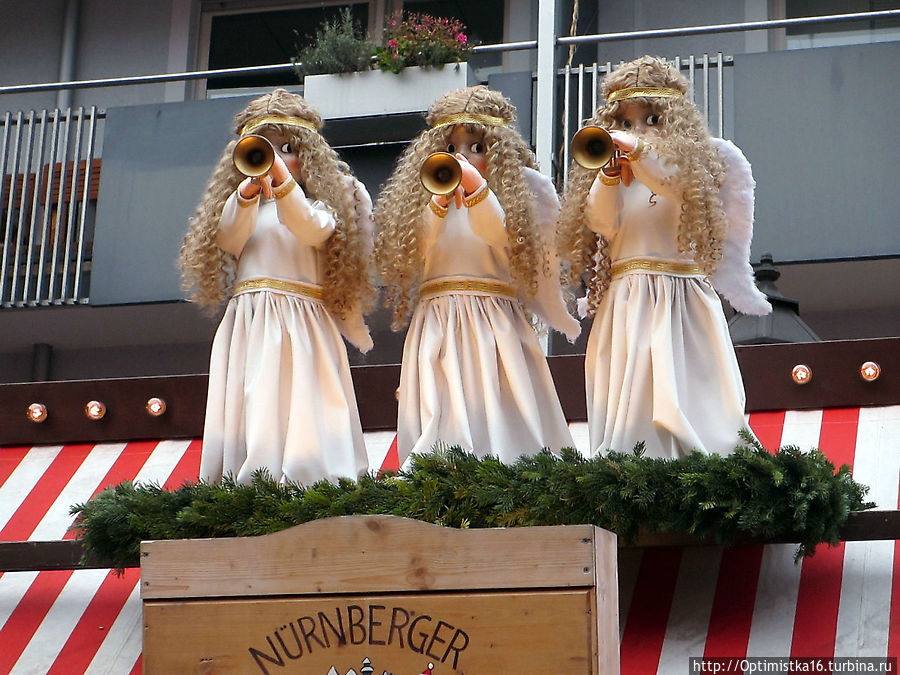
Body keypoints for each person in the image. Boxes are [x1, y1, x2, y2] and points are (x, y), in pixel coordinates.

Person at [558, 55, 771, 459]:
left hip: (679, 301)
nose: (637, 130)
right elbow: (600, 221)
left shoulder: (698, 164)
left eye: (650, 119)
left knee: (692, 401)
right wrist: (608, 176)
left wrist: (638, 152)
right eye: (625, 123)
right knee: (630, 409)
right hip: (627, 302)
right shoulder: (616, 172)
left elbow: (675, 186)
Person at [374, 85, 580, 465]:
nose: (462, 157)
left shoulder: (519, 194)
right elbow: (415, 249)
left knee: (499, 414)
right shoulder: (421, 199)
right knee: (441, 412)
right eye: (452, 147)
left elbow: (501, 235)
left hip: (493, 322)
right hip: (438, 321)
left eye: (476, 147)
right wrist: (438, 202)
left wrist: (477, 191)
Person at [179, 88, 376, 485]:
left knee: (305, 399)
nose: (276, 160)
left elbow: (311, 228)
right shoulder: (244, 206)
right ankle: (253, 476)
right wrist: (247, 193)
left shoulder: (319, 207)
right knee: (255, 398)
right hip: (251, 319)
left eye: (287, 149)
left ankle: (309, 477)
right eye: (264, 149)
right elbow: (229, 237)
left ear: (308, 157)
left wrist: (284, 186)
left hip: (301, 321)